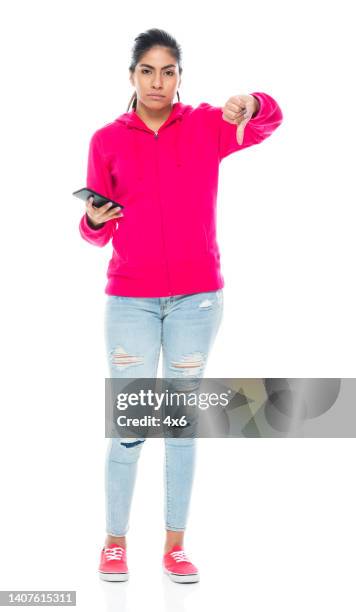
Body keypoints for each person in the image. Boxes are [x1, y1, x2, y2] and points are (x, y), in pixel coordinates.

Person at [79, 28, 283, 583]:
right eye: (147, 70)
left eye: (168, 71)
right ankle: (114, 542)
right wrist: (93, 222)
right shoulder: (106, 140)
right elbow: (95, 226)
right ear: (132, 76)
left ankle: (174, 547)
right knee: (130, 424)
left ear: (179, 77)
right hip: (129, 301)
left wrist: (254, 103)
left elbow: (269, 121)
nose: (158, 81)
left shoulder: (204, 125)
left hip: (197, 301)